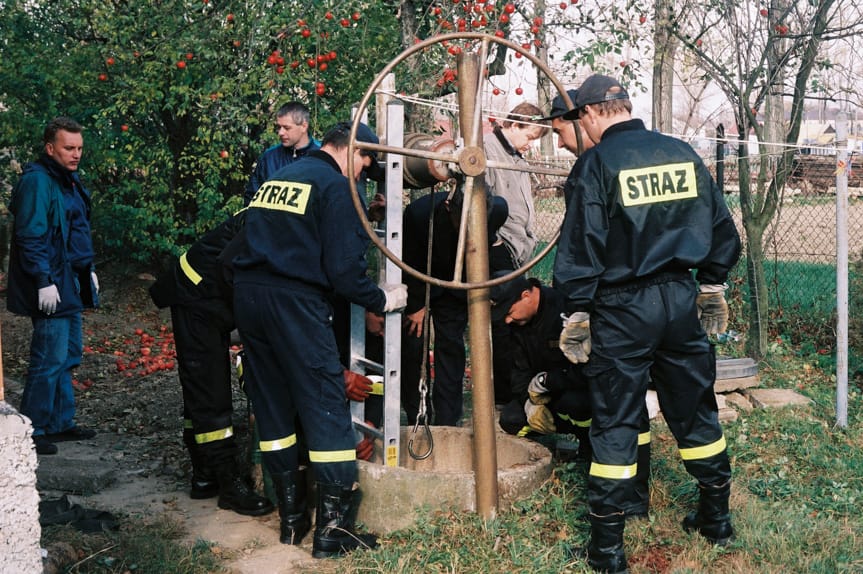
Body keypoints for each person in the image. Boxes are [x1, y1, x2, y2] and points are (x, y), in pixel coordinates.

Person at [553, 75, 742, 573]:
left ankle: (608, 549)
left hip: (621, 308)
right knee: (694, 407)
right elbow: (722, 227)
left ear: (591, 113)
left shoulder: (596, 164)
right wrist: (713, 283)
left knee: (615, 415)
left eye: (579, 120)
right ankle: (716, 517)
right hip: (681, 301)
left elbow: (581, 246)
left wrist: (576, 311)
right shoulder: (681, 152)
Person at [231, 121, 407, 557]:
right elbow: (344, 273)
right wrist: (381, 299)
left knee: (271, 405)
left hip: (250, 298)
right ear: (355, 150)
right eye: (367, 162)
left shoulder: (277, 179)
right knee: (325, 401)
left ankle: (291, 522)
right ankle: (333, 534)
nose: (365, 173)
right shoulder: (335, 187)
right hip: (294, 302)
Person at [489, 272, 652, 519]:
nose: (508, 321)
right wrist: (529, 404)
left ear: (526, 295)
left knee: (574, 404)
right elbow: (519, 373)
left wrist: (549, 381)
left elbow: (591, 368)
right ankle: (565, 442)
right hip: (552, 395)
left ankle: (592, 443)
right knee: (511, 419)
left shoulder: (567, 308)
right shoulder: (519, 325)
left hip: (586, 392)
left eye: (510, 312)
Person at [148, 211, 275, 517]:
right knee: (210, 391)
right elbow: (231, 266)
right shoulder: (268, 220)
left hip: (210, 294)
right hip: (196, 296)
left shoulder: (272, 212)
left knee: (202, 393)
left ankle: (204, 475)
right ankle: (229, 486)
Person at [7, 117, 99, 456]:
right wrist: (43, 281)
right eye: (68, 148)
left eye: (79, 149)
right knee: (49, 356)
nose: (76, 155)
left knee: (69, 353)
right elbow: (30, 236)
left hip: (71, 279)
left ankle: (60, 422)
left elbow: (76, 230)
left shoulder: (68, 180)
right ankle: (34, 427)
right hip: (52, 282)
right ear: (50, 148)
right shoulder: (38, 181)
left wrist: (87, 270)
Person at [401, 189, 508, 426]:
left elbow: (496, 248)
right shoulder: (420, 215)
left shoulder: (497, 209)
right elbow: (409, 261)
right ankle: (416, 418)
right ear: (450, 208)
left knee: (450, 350)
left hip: (456, 289)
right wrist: (416, 306)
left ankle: (448, 423)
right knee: (413, 346)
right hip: (423, 279)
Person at [483, 102, 548, 405]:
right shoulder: (487, 150)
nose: (530, 143)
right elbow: (479, 199)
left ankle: (513, 392)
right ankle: (504, 397)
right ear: (515, 125)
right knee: (505, 322)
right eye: (530, 136)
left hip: (519, 248)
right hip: (500, 248)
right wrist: (491, 239)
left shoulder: (515, 156)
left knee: (516, 322)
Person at [243, 101, 320, 206]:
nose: (280, 133)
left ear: (304, 126)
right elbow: (252, 199)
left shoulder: (322, 157)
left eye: (287, 128)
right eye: (279, 127)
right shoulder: (269, 158)